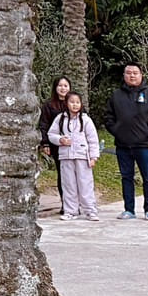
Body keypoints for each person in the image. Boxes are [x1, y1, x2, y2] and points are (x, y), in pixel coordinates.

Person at [103, 62, 148, 220]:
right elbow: (108, 117)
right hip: (123, 145)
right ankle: (129, 209)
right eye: (128, 73)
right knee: (126, 177)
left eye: (135, 73)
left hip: (144, 145)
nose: (132, 75)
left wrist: (147, 133)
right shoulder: (116, 95)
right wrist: (117, 131)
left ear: (141, 75)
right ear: (124, 75)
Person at [47, 90, 101, 221]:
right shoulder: (60, 119)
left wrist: (94, 157)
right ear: (66, 103)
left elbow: (93, 139)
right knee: (68, 184)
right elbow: (51, 134)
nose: (75, 105)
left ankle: (90, 210)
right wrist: (60, 140)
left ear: (81, 104)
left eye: (77, 102)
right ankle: (70, 211)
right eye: (72, 102)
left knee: (85, 183)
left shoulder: (86, 120)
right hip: (65, 156)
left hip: (82, 156)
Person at [37, 77, 70, 171]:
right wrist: (45, 143)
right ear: (55, 87)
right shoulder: (49, 105)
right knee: (62, 171)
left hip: (73, 143)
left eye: (65, 86)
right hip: (56, 143)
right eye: (60, 85)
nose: (63, 88)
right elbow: (44, 124)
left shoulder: (74, 103)